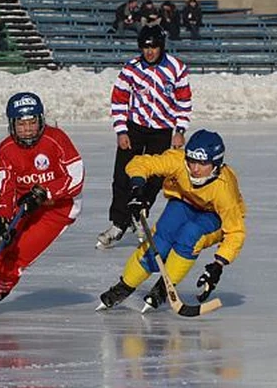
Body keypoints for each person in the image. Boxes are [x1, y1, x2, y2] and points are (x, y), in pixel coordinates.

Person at [0, 92, 84, 316]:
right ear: (12, 125)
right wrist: (3, 215)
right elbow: (4, 187)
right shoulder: (6, 149)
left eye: (32, 122)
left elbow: (76, 178)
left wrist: (44, 193)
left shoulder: (56, 139)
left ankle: (0, 288)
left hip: (58, 207)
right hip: (21, 203)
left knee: (19, 253)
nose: (28, 129)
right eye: (21, 124)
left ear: (41, 120)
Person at [98, 130, 246, 312]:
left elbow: (235, 232)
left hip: (213, 216)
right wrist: (138, 189)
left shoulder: (224, 189)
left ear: (216, 163)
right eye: (191, 161)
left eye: (202, 163)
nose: (195, 169)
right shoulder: (178, 161)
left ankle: (164, 288)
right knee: (159, 241)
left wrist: (218, 265)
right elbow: (140, 163)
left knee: (190, 234)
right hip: (184, 204)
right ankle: (124, 287)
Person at [97, 24, 192, 250]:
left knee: (155, 177)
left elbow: (184, 101)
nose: (149, 51)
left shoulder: (176, 69)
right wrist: (121, 130)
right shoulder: (131, 69)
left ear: (161, 47)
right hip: (134, 128)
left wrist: (180, 130)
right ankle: (118, 223)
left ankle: (139, 215)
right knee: (122, 175)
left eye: (154, 46)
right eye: (145, 47)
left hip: (161, 130)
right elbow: (119, 99)